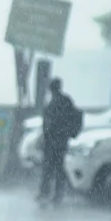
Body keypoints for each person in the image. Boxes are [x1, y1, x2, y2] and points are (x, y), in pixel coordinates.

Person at [37, 77, 78, 205]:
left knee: (49, 168)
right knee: (58, 168)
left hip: (53, 141)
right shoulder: (66, 101)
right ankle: (57, 194)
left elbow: (48, 124)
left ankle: (46, 193)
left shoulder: (54, 103)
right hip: (61, 140)